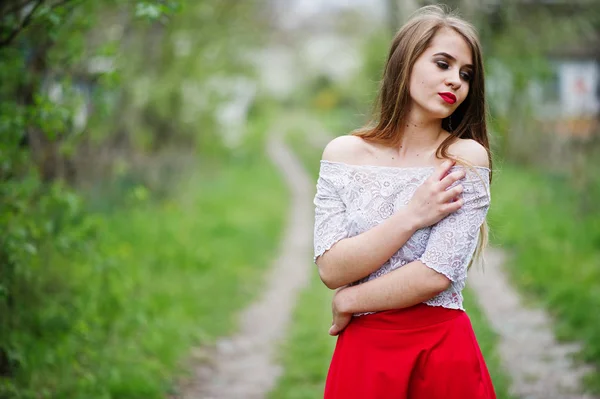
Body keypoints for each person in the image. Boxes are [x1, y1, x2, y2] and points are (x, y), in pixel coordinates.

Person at [313, 5, 497, 399]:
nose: (456, 82)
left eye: (466, 74)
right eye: (443, 64)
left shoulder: (465, 158)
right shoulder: (343, 154)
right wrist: (413, 215)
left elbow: (437, 274)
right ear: (406, 62)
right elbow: (331, 266)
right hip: (364, 355)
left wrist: (351, 298)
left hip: (441, 351)